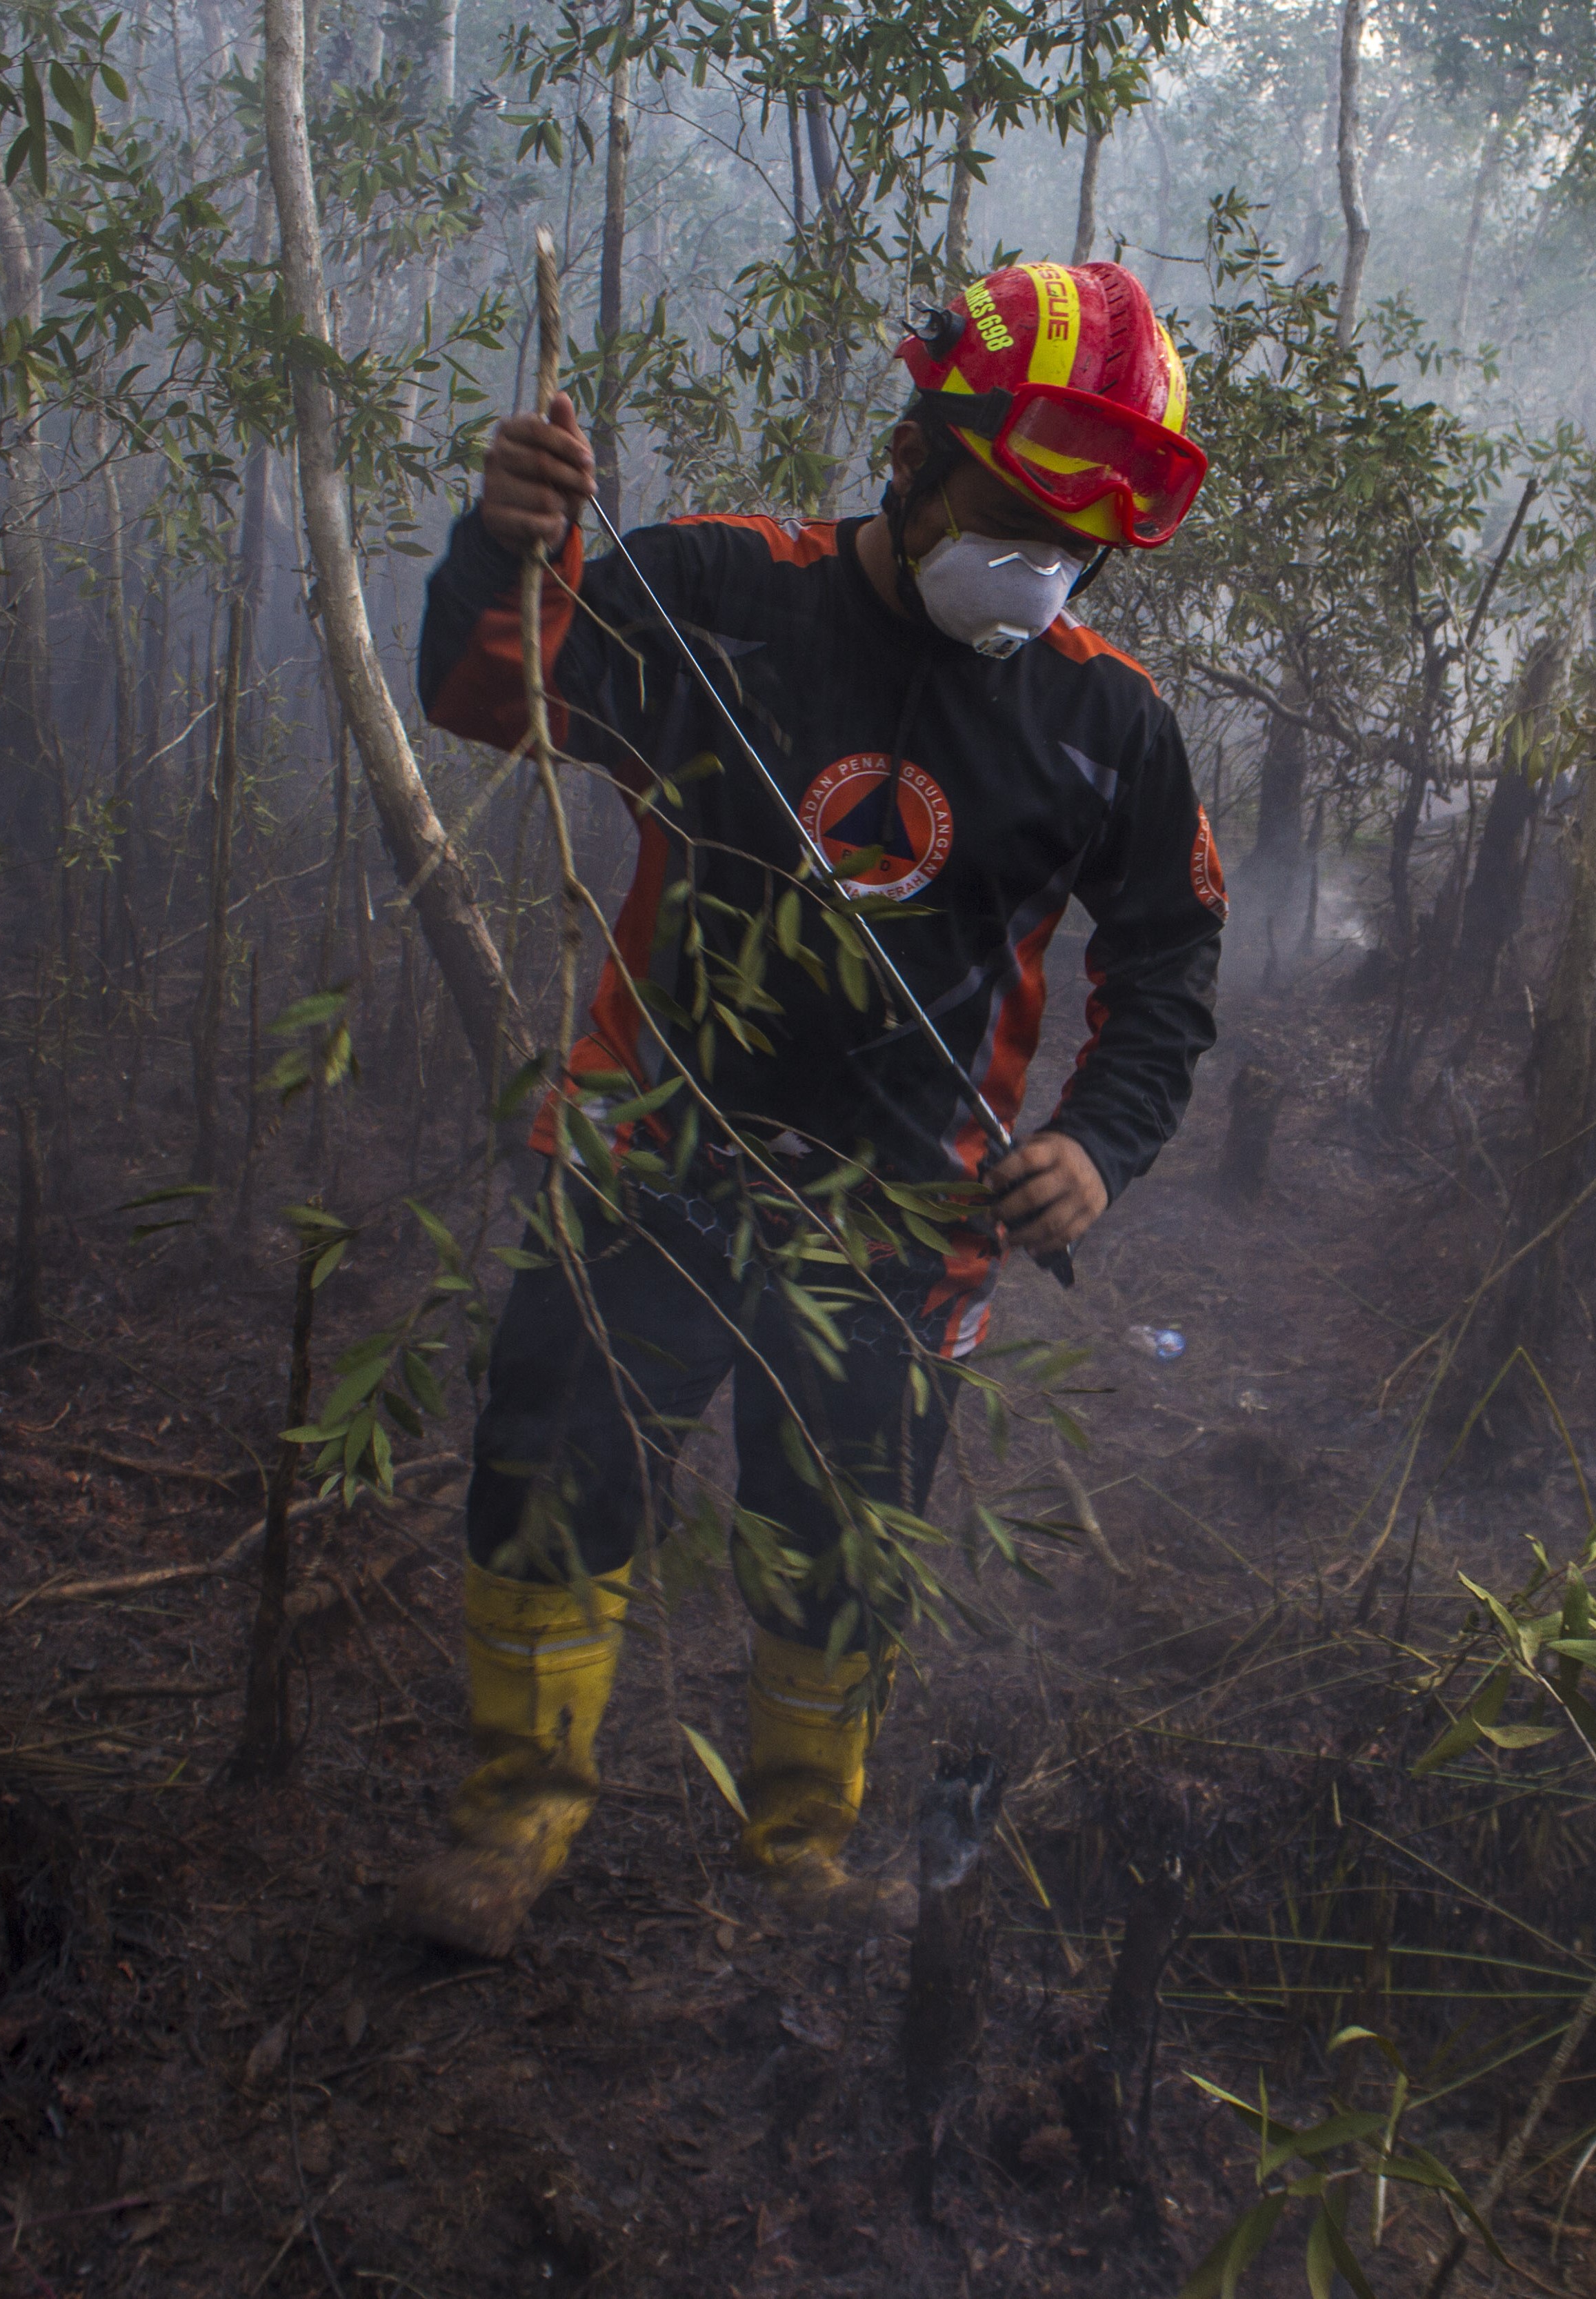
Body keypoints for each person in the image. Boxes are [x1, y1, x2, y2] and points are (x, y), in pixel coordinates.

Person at [395, 260, 1226, 1956]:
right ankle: (511, 1823)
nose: (1032, 570)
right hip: (654, 1150)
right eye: (1007, 515)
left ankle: (797, 1854)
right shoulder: (716, 591)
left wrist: (1095, 1142)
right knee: (552, 1467)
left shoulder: (1107, 722)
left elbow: (1167, 971)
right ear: (912, 458)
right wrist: (504, 540)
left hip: (906, 1217)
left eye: (1072, 547)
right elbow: (491, 693)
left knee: (840, 1538)